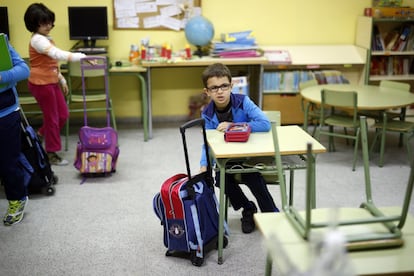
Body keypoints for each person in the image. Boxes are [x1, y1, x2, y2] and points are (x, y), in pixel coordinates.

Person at [199, 63, 279, 234]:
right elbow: (207, 142)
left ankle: (272, 215)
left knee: (253, 178)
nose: (220, 91)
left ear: (231, 86)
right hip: (226, 158)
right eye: (214, 88)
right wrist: (203, 165)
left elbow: (265, 124)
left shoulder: (243, 102)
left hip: (249, 155)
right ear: (207, 92)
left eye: (224, 86)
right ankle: (248, 208)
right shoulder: (206, 114)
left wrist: (233, 126)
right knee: (221, 179)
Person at [24, 3, 88, 165]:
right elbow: (55, 54)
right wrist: (78, 56)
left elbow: (50, 62)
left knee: (63, 115)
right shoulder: (38, 40)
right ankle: (51, 153)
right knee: (52, 118)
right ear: (34, 23)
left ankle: (39, 135)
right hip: (41, 84)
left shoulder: (46, 38)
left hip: (51, 81)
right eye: (43, 23)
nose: (48, 26)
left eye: (50, 22)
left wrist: (62, 79)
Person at [0, 35, 31, 226]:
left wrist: (2, 76)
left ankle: (17, 199)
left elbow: (24, 69)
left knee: (7, 161)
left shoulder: (2, 43)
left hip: (5, 112)